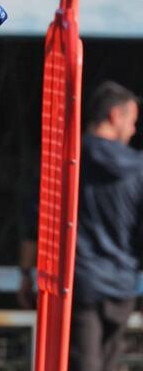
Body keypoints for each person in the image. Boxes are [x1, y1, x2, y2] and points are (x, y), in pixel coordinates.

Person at [18, 81, 143, 371]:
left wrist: (26, 273)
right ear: (115, 116)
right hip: (122, 287)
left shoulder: (62, 160)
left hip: (78, 286)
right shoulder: (138, 170)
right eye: (133, 121)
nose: (134, 130)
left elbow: (35, 220)